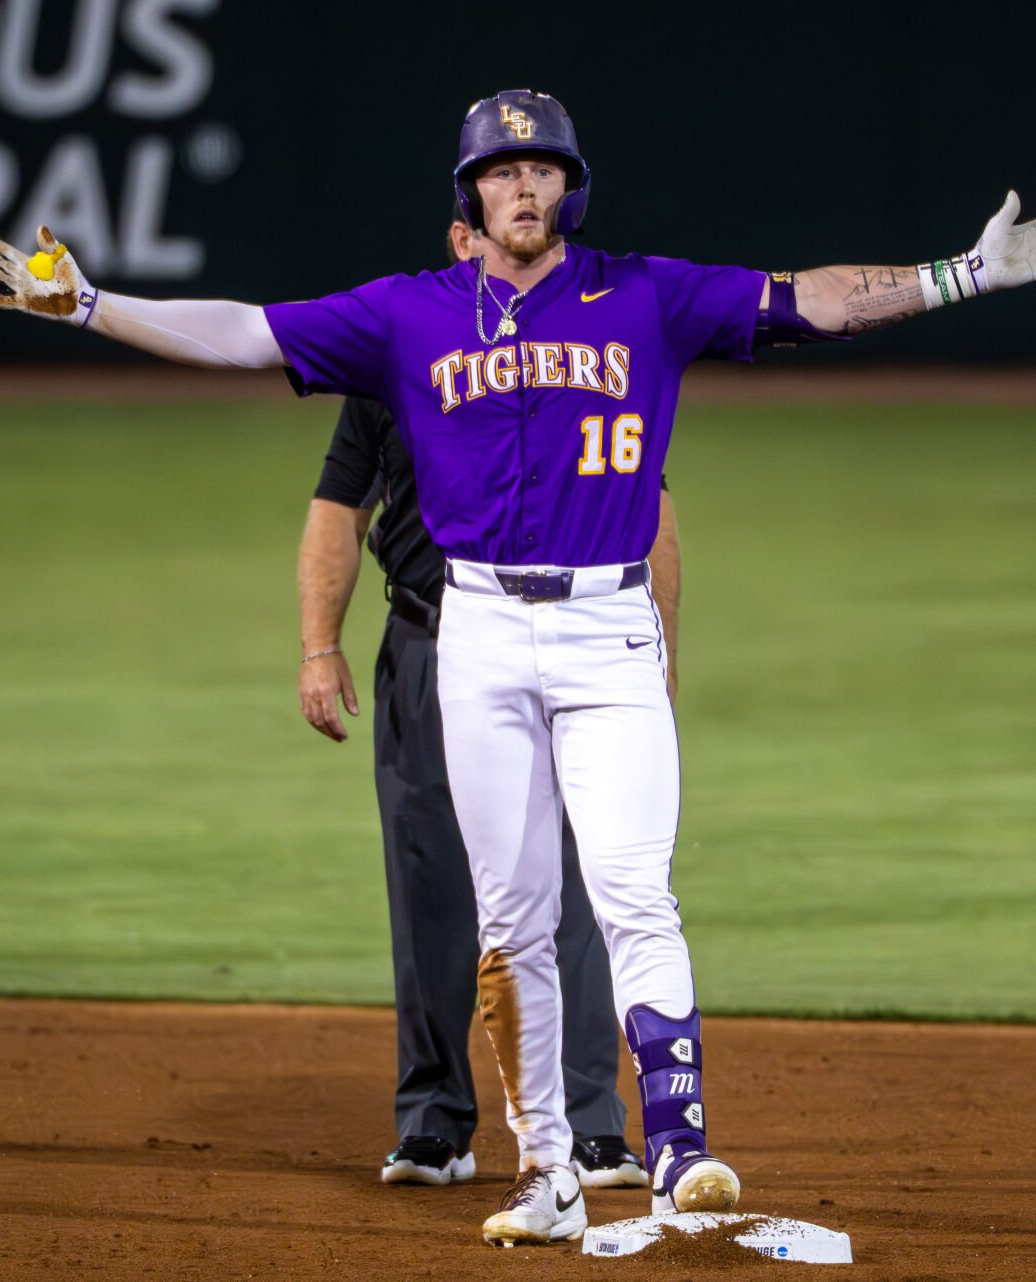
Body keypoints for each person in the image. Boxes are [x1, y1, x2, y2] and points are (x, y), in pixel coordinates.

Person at [0, 88, 1036, 1248]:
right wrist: (93, 304)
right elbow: (247, 332)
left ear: (568, 187)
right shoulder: (408, 315)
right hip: (479, 634)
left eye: (542, 169)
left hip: (608, 630)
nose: (523, 186)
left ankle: (682, 1148)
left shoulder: (646, 294)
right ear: (471, 196)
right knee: (513, 918)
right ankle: (546, 1169)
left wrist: (960, 275)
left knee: (630, 889)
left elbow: (807, 300)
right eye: (502, 173)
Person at [297, 220, 678, 1192]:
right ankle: (435, 1122)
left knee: (586, 885)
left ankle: (594, 1125)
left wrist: (658, 652)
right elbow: (339, 505)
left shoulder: (586, 357)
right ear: (459, 242)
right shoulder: (395, 358)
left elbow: (651, 505)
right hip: (431, 644)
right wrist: (317, 643)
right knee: (431, 884)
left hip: (580, 642)